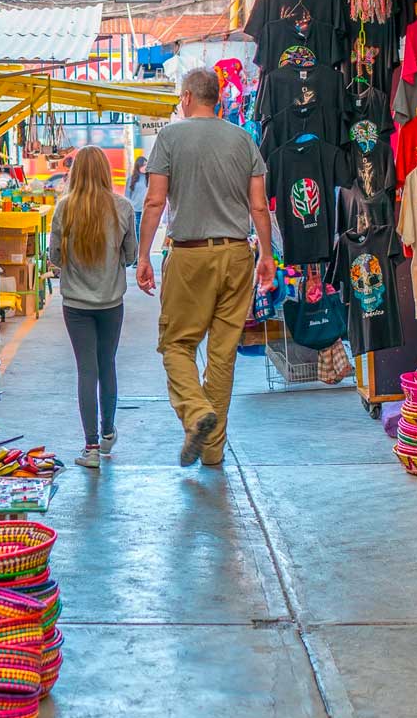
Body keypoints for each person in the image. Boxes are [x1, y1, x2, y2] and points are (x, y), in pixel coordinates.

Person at [137, 68, 272, 468]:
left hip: (190, 255)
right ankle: (212, 450)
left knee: (177, 344)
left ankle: (196, 414)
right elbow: (259, 205)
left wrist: (143, 256)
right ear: (217, 100)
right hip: (237, 254)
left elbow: (155, 201)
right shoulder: (244, 139)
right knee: (222, 355)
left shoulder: (170, 137)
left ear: (186, 97)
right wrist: (266, 255)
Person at [47, 146, 136, 469]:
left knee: (87, 370)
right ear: (105, 171)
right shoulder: (123, 207)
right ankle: (108, 431)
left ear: (75, 173)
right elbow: (132, 256)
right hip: (111, 301)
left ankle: (91, 448)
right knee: (106, 363)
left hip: (76, 304)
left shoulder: (64, 207)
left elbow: (54, 256)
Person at [126, 156, 149, 243]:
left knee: (146, 234)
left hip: (146, 211)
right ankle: (137, 251)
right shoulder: (131, 179)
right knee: (136, 234)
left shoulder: (150, 179)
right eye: (143, 165)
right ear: (138, 166)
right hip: (135, 211)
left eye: (146, 165)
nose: (145, 167)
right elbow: (127, 196)